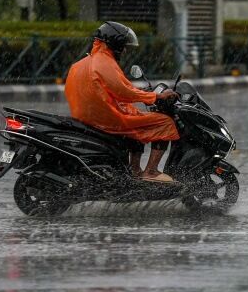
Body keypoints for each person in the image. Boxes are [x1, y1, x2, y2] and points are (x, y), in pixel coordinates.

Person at [64, 22, 179, 183]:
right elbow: (125, 92)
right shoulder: (104, 63)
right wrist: (156, 97)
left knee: (137, 117)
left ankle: (134, 169)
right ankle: (151, 171)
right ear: (115, 44)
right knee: (165, 122)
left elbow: (110, 90)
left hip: (88, 117)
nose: (125, 50)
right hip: (107, 120)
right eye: (124, 46)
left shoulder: (82, 63)